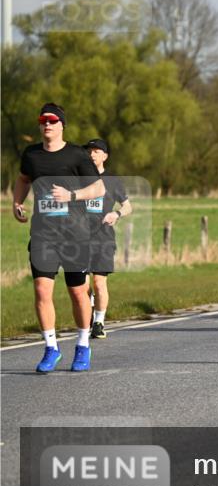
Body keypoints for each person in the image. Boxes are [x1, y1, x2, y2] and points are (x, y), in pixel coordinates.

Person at [13, 103, 105, 372]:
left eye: (53, 121)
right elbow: (22, 179)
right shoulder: (31, 154)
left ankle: (83, 345)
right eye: (43, 120)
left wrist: (72, 196)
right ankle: (50, 348)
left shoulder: (76, 155)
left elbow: (99, 188)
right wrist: (17, 203)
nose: (48, 125)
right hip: (43, 234)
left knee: (77, 292)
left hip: (75, 235)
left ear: (62, 124)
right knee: (42, 290)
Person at [85, 139, 132, 340]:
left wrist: (117, 214)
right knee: (81, 284)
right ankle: (86, 315)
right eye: (89, 151)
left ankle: (98, 322)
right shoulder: (79, 178)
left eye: (96, 151)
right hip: (80, 238)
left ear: (105, 156)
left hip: (103, 239)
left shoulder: (112, 180)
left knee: (99, 281)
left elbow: (128, 206)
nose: (92, 155)